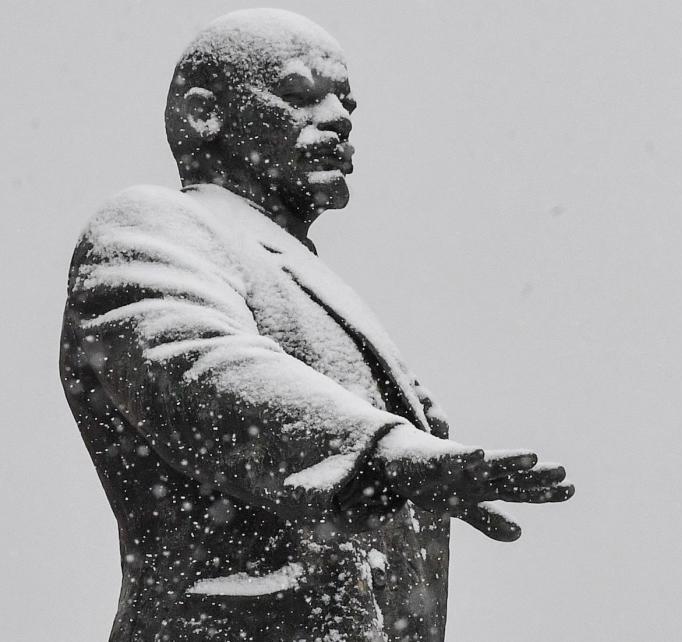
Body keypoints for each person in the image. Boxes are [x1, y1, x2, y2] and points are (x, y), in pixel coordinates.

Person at [59, 8, 573, 642]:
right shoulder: (153, 225)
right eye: (299, 94)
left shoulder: (312, 283)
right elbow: (197, 366)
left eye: (346, 103)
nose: (336, 118)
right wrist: (387, 454)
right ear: (204, 114)